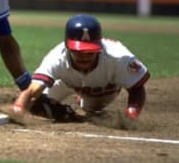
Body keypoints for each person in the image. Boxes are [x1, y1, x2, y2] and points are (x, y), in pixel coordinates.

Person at [10, 14, 150, 123]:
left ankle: (82, 101)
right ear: (67, 46)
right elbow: (32, 90)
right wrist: (18, 108)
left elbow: (137, 87)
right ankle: (68, 104)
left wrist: (132, 114)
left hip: (103, 89)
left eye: (90, 52)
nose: (84, 57)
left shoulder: (118, 57)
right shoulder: (57, 57)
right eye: (78, 52)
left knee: (91, 110)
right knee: (39, 104)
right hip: (66, 82)